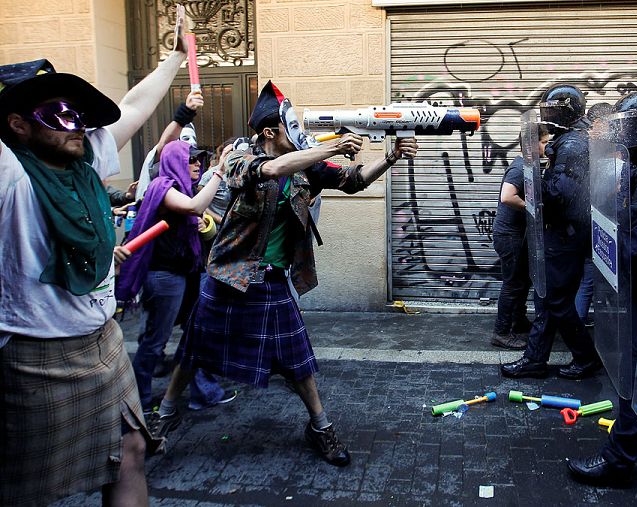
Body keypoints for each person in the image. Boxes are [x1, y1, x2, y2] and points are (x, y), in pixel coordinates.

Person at [151, 81, 418, 467]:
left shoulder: (307, 163)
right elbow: (272, 169)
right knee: (193, 350)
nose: (300, 134)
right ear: (269, 132)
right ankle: (165, 418)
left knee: (298, 362)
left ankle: (320, 426)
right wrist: (327, 147)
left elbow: (354, 180)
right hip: (228, 274)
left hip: (271, 280)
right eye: (288, 126)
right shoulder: (240, 157)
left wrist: (390, 157)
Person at [0, 21, 191, 505]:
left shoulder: (85, 163)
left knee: (131, 449)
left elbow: (131, 109)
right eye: (54, 115)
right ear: (16, 125)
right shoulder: (10, 176)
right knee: (28, 486)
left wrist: (172, 60)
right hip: (34, 353)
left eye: (76, 114)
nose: (75, 125)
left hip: (103, 341)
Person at [566, 90, 637, 485]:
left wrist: (602, 233)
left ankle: (619, 458)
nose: (619, 133)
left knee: (632, 374)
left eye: (628, 125)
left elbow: (633, 245)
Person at [115, 139, 229, 414]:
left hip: (187, 272)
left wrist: (203, 224)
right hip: (165, 276)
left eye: (200, 159)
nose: (197, 163)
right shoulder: (163, 187)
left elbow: (198, 216)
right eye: (191, 159)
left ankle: (202, 392)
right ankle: (138, 403)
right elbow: (193, 206)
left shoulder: (183, 188)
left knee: (195, 335)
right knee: (154, 342)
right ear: (174, 161)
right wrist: (220, 171)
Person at [500, 84, 603, 380]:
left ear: (563, 109)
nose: (546, 113)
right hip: (565, 233)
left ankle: (585, 357)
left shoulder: (572, 145)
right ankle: (534, 360)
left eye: (550, 108)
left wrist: (535, 180)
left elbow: (557, 195)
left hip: (565, 235)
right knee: (546, 299)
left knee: (556, 300)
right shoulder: (571, 140)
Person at [491, 124, 550, 350]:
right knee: (513, 283)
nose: (547, 146)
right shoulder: (518, 168)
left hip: (516, 234)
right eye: (544, 142)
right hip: (509, 235)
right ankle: (501, 332)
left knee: (522, 279)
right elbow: (507, 196)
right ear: (531, 145)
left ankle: (518, 320)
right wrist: (531, 207)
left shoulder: (528, 165)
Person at [574, 102, 615, 325]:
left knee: (586, 279)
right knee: (588, 279)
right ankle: (577, 328)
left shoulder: (581, 143)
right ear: (599, 122)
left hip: (582, 223)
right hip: (591, 224)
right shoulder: (593, 147)